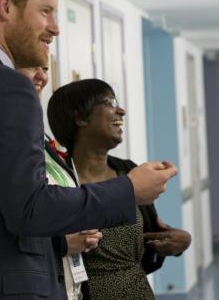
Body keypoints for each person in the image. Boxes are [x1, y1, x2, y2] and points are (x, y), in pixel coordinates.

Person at [0, 0, 176, 299]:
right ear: (6, 6)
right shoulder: (6, 87)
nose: (55, 27)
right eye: (45, 11)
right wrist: (129, 190)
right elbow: (29, 208)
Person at [47, 79, 192, 300]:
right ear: (80, 117)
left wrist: (179, 242)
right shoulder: (59, 182)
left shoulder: (128, 172)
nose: (121, 110)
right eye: (109, 102)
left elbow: (150, 237)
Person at [16, 65, 102, 300]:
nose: (43, 76)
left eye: (44, 68)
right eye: (32, 67)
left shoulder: (44, 143)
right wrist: (61, 244)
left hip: (69, 286)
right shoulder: (6, 146)